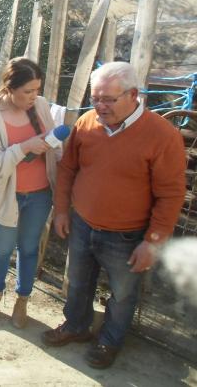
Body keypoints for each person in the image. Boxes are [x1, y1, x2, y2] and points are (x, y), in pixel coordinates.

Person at [42, 62, 186, 368]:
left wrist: (153, 241)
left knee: (122, 295)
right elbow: (68, 168)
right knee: (78, 283)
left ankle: (109, 341)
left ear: (133, 95)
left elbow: (171, 195)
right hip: (82, 224)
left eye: (108, 99)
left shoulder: (162, 136)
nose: (100, 106)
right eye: (95, 98)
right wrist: (62, 210)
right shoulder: (86, 123)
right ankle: (76, 326)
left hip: (127, 235)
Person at [0, 57, 59, 328]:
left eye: (37, 89)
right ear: (9, 88)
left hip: (40, 194)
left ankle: (22, 300)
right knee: (1, 249)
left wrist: (53, 144)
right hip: (6, 196)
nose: (35, 96)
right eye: (28, 91)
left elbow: (54, 144)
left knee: (29, 248)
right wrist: (25, 147)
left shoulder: (41, 105)